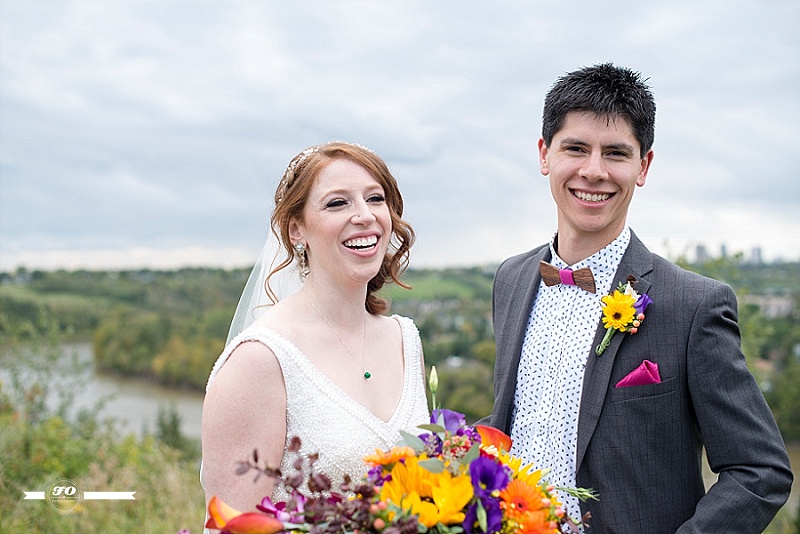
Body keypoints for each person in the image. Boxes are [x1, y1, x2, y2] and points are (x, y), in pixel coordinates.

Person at [485, 63, 792, 532]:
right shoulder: (510, 279)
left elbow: (760, 472)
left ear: (643, 166)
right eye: (575, 148)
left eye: (615, 153)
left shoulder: (693, 305)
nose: (593, 171)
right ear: (545, 154)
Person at [201, 142, 430, 516]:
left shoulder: (407, 341)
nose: (365, 216)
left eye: (375, 198)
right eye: (337, 203)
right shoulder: (260, 360)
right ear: (296, 230)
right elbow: (230, 524)